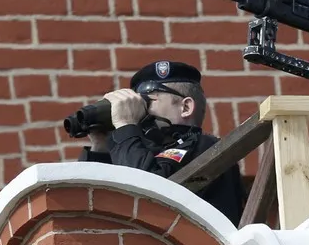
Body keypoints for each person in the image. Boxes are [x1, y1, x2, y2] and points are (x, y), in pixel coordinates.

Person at [78, 60, 246, 227]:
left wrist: (125, 125)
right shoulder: (143, 152)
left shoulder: (206, 146)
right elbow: (90, 205)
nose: (139, 112)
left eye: (147, 101)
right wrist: (101, 148)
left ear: (185, 107)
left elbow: (147, 193)